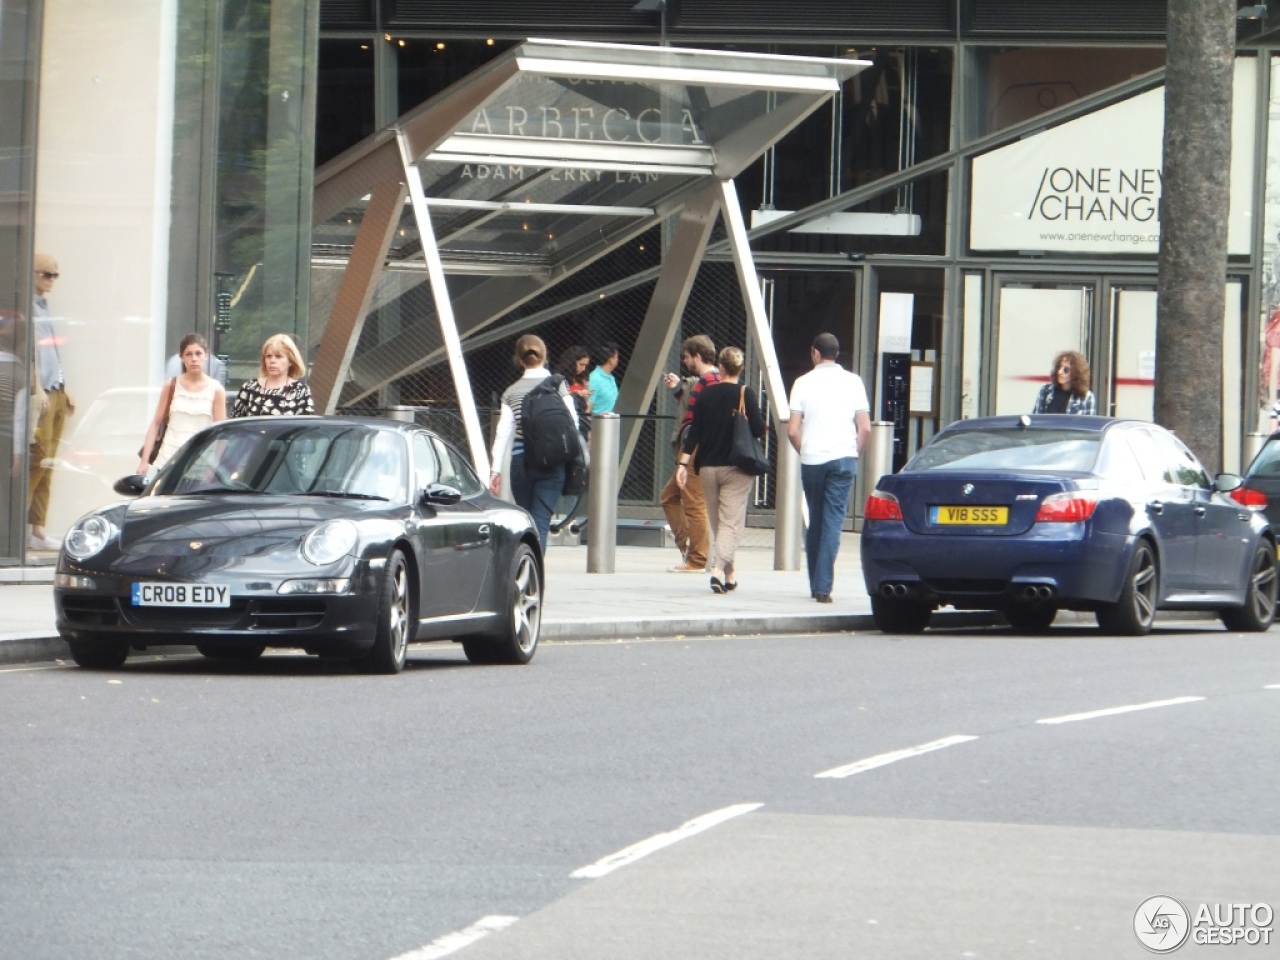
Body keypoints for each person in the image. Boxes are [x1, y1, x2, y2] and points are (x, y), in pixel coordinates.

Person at [787, 332, 871, 605]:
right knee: (833, 522)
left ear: (815, 353)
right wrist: (853, 452)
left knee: (816, 520)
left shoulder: (802, 383)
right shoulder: (853, 382)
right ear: (837, 354)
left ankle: (816, 583)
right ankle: (823, 586)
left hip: (813, 461)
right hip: (843, 459)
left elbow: (792, 430)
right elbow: (865, 427)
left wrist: (805, 449)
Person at [677, 346, 765, 595]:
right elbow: (759, 430)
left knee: (719, 523)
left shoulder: (705, 395)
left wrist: (683, 465)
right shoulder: (745, 393)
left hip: (707, 467)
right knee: (730, 524)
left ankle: (730, 575)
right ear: (741, 369)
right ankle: (716, 570)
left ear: (721, 368)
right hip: (737, 467)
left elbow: (694, 434)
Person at [489, 334, 578, 553]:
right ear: (544, 356)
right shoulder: (558, 385)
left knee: (525, 521)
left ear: (519, 360)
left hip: (521, 462)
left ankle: (522, 569)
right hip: (553, 462)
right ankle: (533, 577)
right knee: (541, 521)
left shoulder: (511, 392)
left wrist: (495, 471)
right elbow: (572, 423)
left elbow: (502, 434)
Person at [660, 334, 720, 573]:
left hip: (695, 450)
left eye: (686, 357)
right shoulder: (708, 381)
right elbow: (689, 403)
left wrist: (687, 456)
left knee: (695, 504)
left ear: (697, 356)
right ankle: (689, 548)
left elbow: (696, 418)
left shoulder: (708, 382)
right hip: (693, 450)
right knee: (669, 496)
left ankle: (697, 559)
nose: (684, 362)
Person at [27, 253, 72, 551]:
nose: (51, 280)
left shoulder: (44, 306)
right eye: (46, 274)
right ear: (31, 273)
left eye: (55, 274)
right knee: (36, 460)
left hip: (54, 390)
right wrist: (37, 388)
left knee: (49, 463)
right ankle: (17, 528)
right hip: (39, 393)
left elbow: (50, 351)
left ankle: (37, 530)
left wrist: (63, 387)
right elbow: (28, 351)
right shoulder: (26, 308)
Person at [137, 334, 227, 474]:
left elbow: (221, 433)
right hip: (167, 460)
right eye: (188, 354)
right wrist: (144, 461)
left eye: (198, 353)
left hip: (200, 463)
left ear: (206, 356)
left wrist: (213, 469)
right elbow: (156, 423)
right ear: (182, 357)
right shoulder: (171, 385)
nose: (194, 359)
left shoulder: (216, 389)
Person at [232, 333, 315, 418]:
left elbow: (306, 427)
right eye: (268, 356)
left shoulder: (300, 391)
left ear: (290, 361)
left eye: (278, 356)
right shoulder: (249, 388)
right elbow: (234, 424)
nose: (272, 361)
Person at [1031, 350, 1097, 415]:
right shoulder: (1046, 391)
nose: (1060, 372)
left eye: (1066, 370)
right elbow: (1037, 420)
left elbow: (1088, 424)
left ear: (1076, 373)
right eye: (1059, 367)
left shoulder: (1086, 397)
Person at [587, 341, 620, 415]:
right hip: (597, 424)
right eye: (616, 357)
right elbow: (588, 408)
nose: (617, 360)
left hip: (610, 423)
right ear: (610, 360)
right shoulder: (594, 378)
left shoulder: (611, 378)